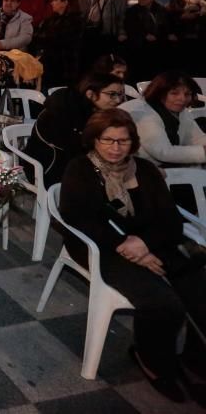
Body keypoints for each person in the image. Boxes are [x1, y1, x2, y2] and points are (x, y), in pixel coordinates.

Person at [59, 109, 205, 405]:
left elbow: (171, 222)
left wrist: (144, 243)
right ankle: (152, 361)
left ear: (133, 142)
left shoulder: (146, 171)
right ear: (94, 140)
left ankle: (194, 360)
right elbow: (80, 221)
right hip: (102, 248)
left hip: (151, 242)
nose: (115, 148)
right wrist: (126, 244)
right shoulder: (80, 170)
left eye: (123, 141)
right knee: (163, 303)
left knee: (199, 290)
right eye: (108, 140)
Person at [24, 72, 127, 185]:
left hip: (77, 166)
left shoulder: (97, 112)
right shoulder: (63, 111)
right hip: (49, 170)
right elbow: (76, 152)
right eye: (112, 94)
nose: (118, 100)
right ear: (90, 94)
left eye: (121, 94)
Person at [119, 71, 206, 167]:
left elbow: (197, 138)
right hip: (134, 169)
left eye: (187, 94)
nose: (182, 98)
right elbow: (163, 152)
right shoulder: (143, 112)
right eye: (174, 93)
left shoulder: (179, 109)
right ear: (159, 93)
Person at [31, 0, 84, 88]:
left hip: (63, 69)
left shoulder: (75, 22)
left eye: (56, 0)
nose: (52, 3)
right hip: (48, 66)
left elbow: (58, 41)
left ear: (65, 3)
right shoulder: (51, 20)